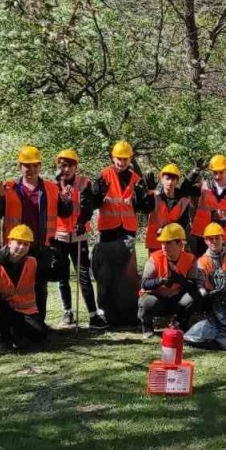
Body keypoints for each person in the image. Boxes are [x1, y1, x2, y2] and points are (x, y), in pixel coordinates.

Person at [0, 146, 72, 322]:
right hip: (16, 248)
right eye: (27, 165)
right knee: (14, 287)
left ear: (40, 166)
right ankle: (14, 325)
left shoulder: (51, 188)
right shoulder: (8, 187)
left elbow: (64, 213)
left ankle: (39, 323)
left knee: (39, 287)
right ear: (20, 166)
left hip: (41, 245)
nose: (31, 169)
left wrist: (66, 201)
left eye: (35, 165)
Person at [79, 140, 149, 327]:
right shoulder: (104, 175)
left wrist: (144, 195)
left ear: (130, 159)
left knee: (127, 274)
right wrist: (94, 195)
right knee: (107, 273)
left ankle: (128, 311)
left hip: (127, 230)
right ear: (113, 158)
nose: (122, 162)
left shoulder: (136, 179)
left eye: (125, 159)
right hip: (109, 231)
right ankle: (108, 311)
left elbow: (144, 208)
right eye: (119, 158)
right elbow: (93, 203)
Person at [0, 224, 47, 350]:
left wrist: (57, 265)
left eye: (26, 244)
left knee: (40, 335)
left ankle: (17, 335)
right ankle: (5, 337)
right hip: (4, 311)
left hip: (27, 311)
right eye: (19, 242)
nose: (21, 247)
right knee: (0, 308)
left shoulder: (32, 262)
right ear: (10, 243)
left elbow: (48, 276)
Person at [50, 149, 95, 326]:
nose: (66, 169)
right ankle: (67, 312)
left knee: (84, 275)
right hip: (59, 236)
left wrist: (82, 221)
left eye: (69, 165)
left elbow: (87, 205)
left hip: (79, 235)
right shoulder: (52, 185)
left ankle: (93, 313)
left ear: (76, 166)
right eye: (62, 166)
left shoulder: (84, 182)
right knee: (63, 276)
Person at [138, 223, 200, 334]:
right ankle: (147, 327)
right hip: (158, 298)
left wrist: (181, 280)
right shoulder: (154, 258)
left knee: (193, 298)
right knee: (147, 302)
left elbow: (193, 285)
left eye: (168, 242)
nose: (163, 246)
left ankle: (180, 324)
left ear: (180, 244)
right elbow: (144, 283)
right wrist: (160, 281)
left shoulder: (191, 259)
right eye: (162, 242)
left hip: (176, 299)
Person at [190, 154, 226, 251]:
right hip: (201, 237)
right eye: (215, 172)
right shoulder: (203, 187)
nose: (218, 176)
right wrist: (194, 172)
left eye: (221, 172)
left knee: (221, 266)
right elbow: (184, 190)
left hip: (223, 239)